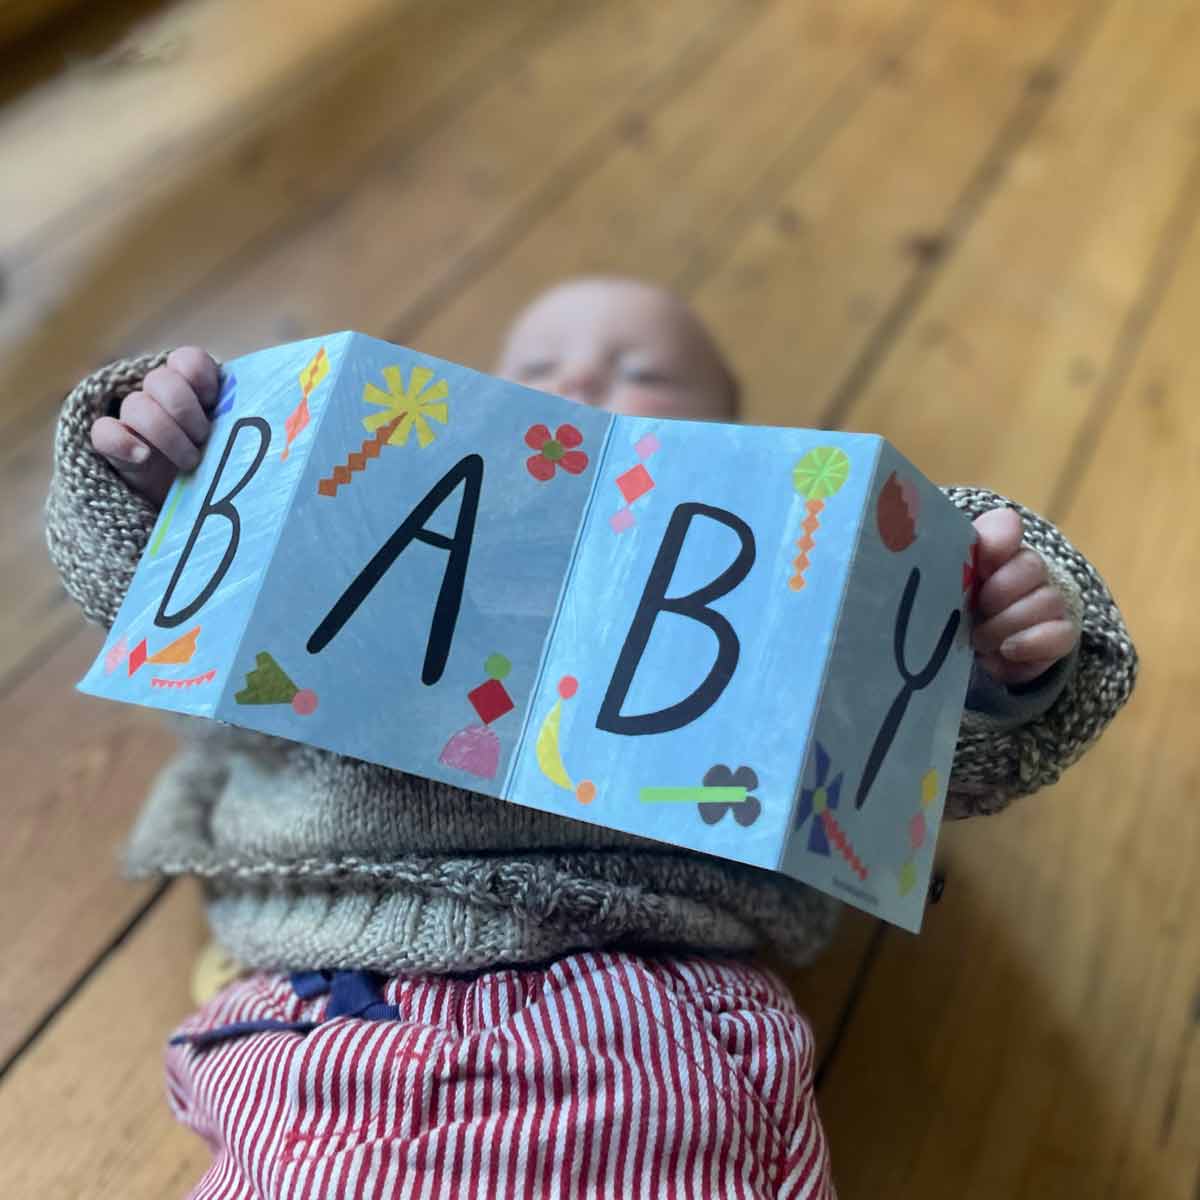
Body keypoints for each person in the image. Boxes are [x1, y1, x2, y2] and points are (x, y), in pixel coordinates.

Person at [49, 277, 1136, 1198]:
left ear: (743, 458)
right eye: (537, 367)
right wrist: (164, 476)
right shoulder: (371, 520)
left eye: (643, 374)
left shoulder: (763, 592)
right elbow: (164, 592)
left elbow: (926, 751)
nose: (579, 385)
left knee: (674, 1131)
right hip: (335, 988)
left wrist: (995, 651)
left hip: (643, 986)